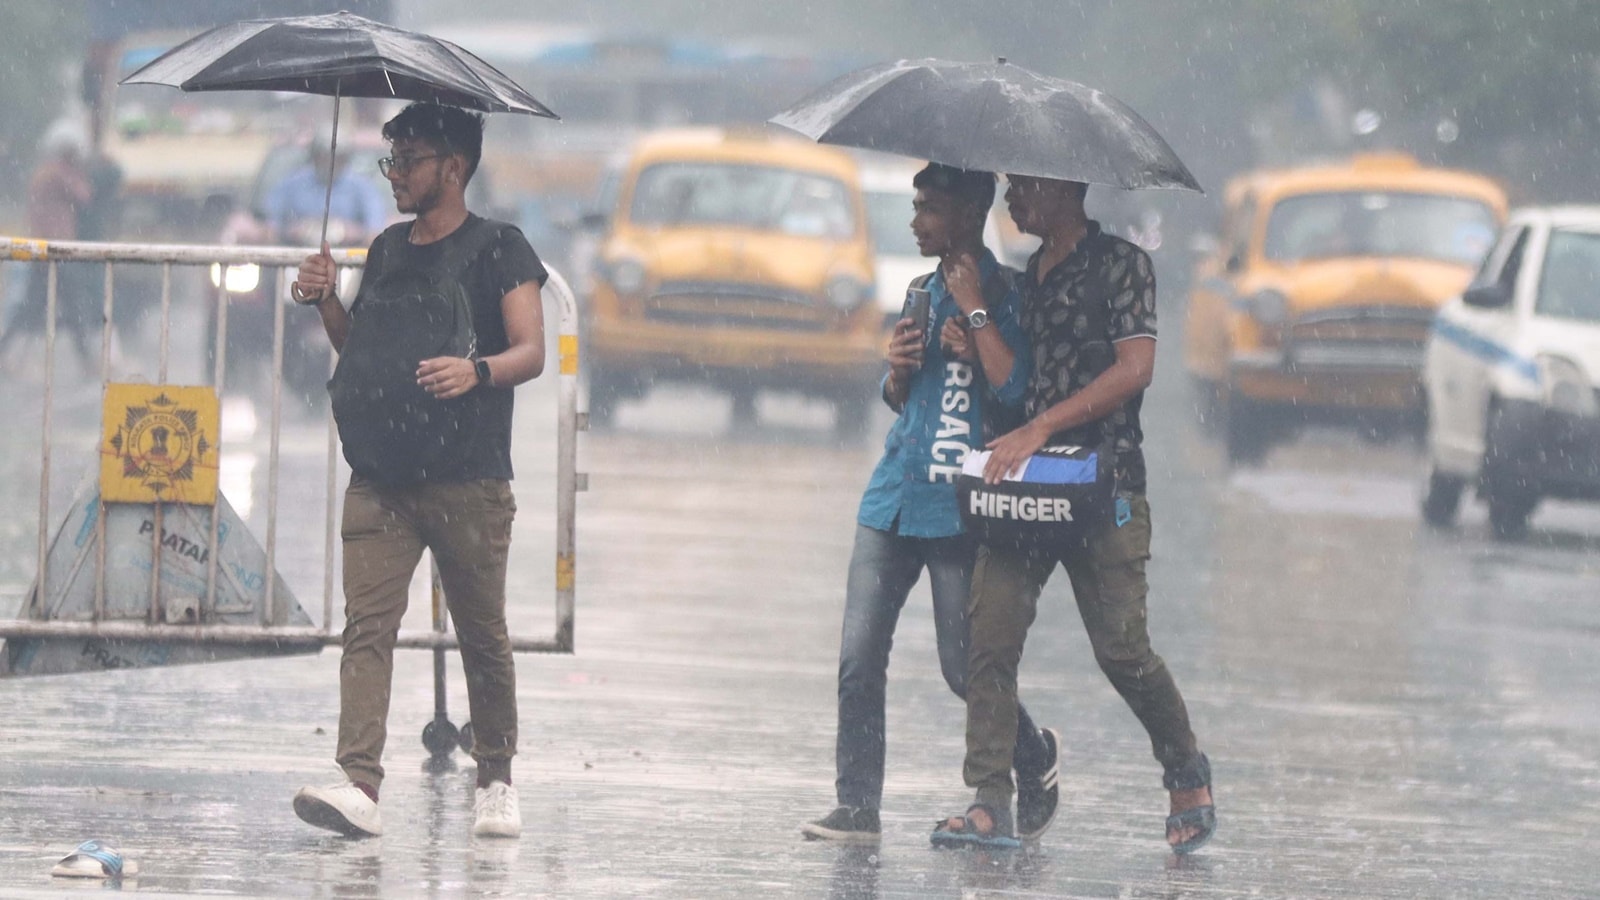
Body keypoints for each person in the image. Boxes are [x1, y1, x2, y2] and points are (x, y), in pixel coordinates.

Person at [288, 103, 548, 840]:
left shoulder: (502, 247)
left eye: (409, 159)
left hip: (468, 477)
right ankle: (359, 783)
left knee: (481, 633)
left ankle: (495, 775)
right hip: (381, 476)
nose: (395, 173)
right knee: (366, 628)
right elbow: (360, 350)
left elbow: (532, 350)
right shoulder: (387, 249)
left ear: (454, 168)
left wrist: (476, 372)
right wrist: (326, 299)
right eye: (390, 159)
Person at [934, 174, 1215, 853]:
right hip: (1026, 487)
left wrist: (1043, 427)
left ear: (1064, 188)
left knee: (1122, 649)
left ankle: (1186, 771)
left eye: (1023, 187)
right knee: (988, 639)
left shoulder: (1124, 265)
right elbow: (1021, 382)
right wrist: (973, 329)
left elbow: (1134, 368)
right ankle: (990, 800)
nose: (1011, 201)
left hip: (1105, 484)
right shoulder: (1029, 275)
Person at [802, 164, 1060, 845]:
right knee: (859, 658)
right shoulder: (917, 292)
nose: (917, 221)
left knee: (961, 665)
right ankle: (857, 806)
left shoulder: (1007, 295)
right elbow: (900, 401)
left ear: (973, 211)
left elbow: (1018, 397)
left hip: (960, 508)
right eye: (916, 207)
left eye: (930, 209)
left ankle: (1033, 757)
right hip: (891, 499)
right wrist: (896, 369)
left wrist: (976, 325)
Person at [0, 119, 96, 370]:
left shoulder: (44, 173)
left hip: (45, 249)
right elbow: (84, 195)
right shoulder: (59, 174)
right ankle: (85, 359)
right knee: (63, 306)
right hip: (55, 250)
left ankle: (84, 357)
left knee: (36, 307)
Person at [263, 131, 388, 246]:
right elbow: (270, 225)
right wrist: (291, 231)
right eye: (324, 156)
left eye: (338, 157)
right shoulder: (293, 184)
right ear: (314, 157)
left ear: (346, 159)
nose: (331, 162)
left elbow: (375, 229)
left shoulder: (361, 187)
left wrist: (351, 233)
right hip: (298, 257)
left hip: (347, 259)